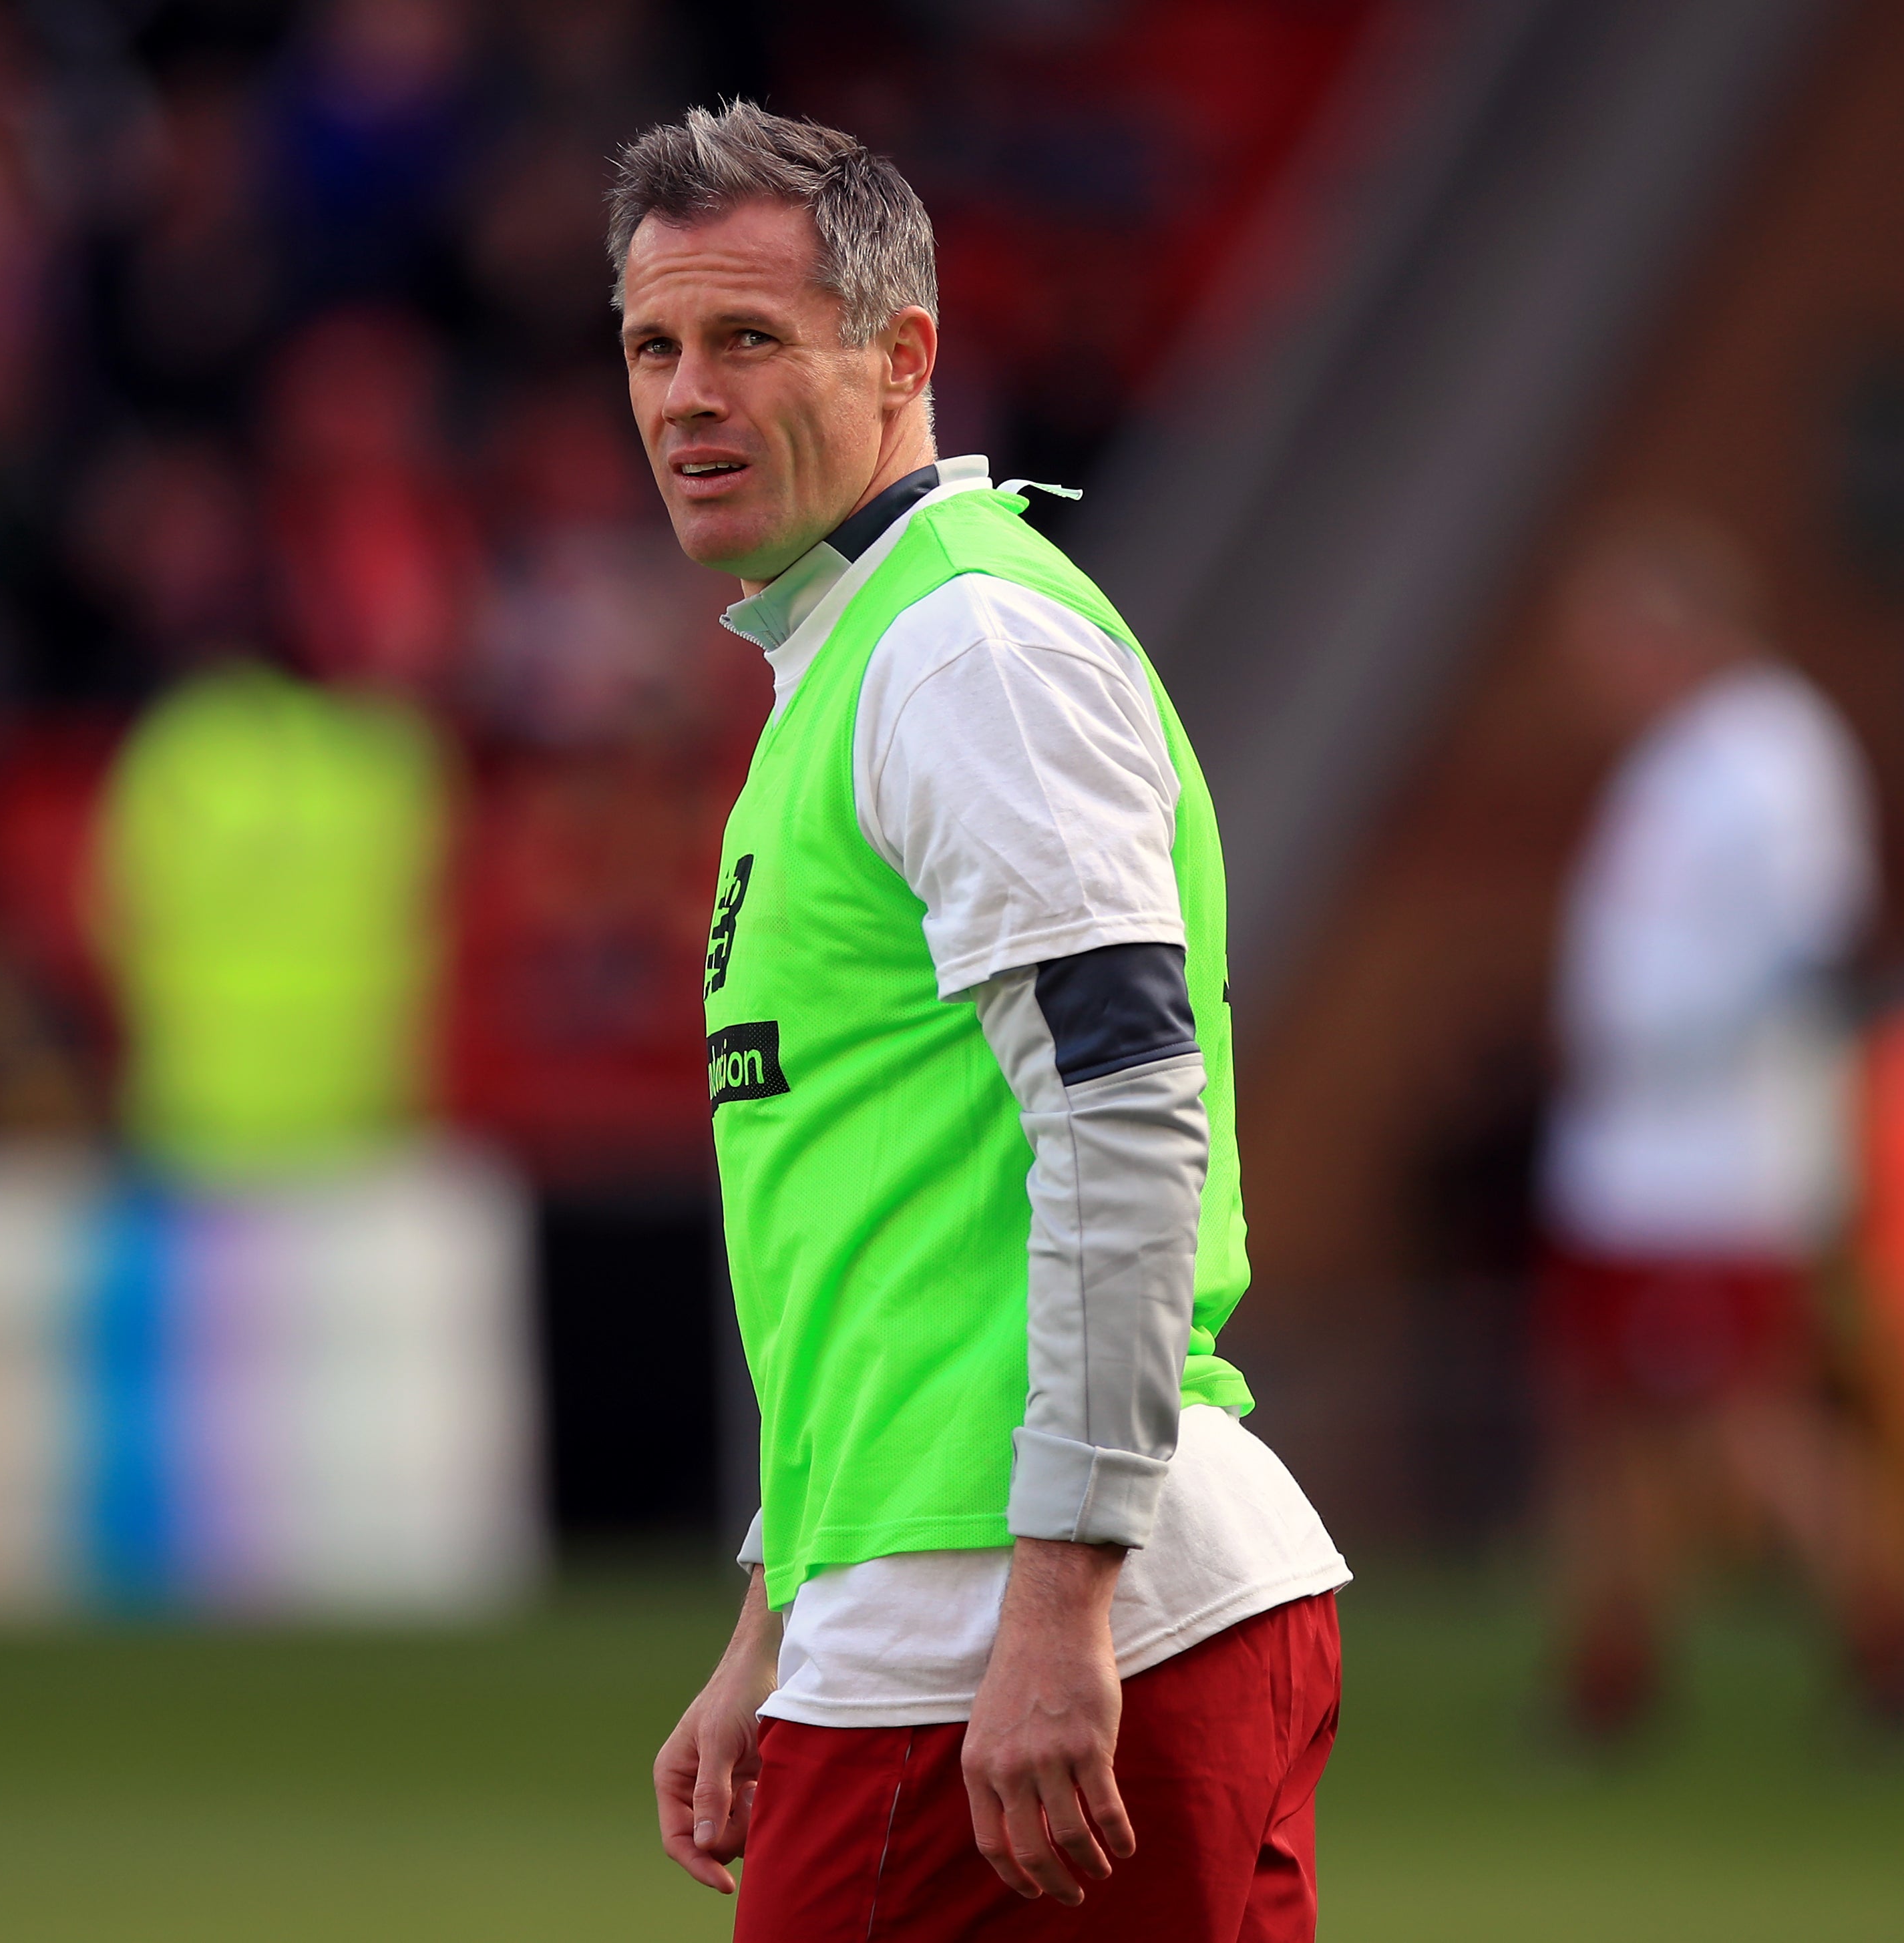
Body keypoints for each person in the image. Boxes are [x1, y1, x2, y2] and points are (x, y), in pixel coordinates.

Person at [620, 103, 1349, 1940]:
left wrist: (1056, 1601)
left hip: (997, 1618)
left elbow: (1123, 1114)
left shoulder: (966, 656)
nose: (684, 397)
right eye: (654, 345)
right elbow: (894, 1227)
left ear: (905, 353)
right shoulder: (869, 655)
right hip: (970, 1590)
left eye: (747, 340)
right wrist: (777, 1611)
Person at [1535, 516, 1904, 1737]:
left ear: (1672, 633)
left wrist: (1676, 1046)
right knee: (1612, 1423)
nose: (1591, 679)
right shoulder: (1685, 755)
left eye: (1606, 647)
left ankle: (1885, 1636)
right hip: (1627, 1159)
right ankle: (1611, 1671)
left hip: (1713, 1164)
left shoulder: (1769, 754)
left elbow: (1819, 948)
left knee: (1747, 1419)